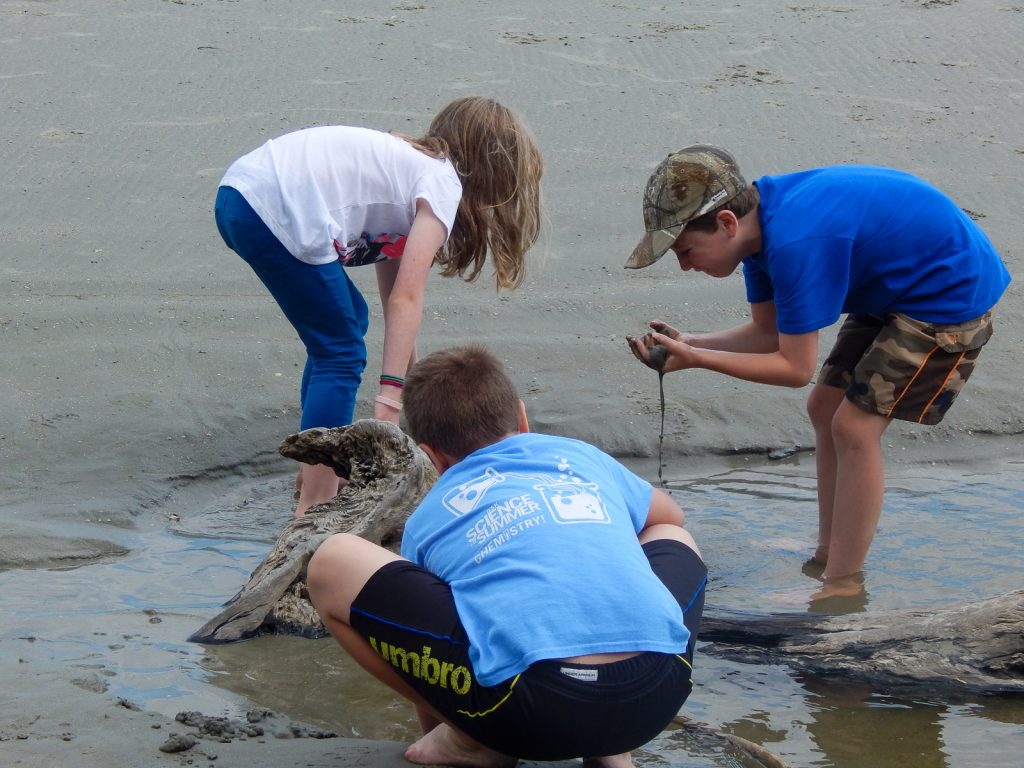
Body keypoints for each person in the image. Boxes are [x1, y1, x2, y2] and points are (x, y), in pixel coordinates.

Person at [625, 145, 1011, 600]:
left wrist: (700, 361)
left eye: (686, 249)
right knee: (824, 405)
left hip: (948, 294)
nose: (685, 264)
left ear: (726, 223)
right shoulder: (758, 236)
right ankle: (828, 554)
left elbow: (794, 367)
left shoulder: (795, 243)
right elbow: (769, 334)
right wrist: (691, 342)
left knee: (854, 427)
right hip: (893, 288)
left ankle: (843, 585)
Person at [307, 345, 707, 768]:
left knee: (330, 559)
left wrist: (452, 728)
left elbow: (429, 637)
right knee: (668, 533)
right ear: (521, 417)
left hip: (531, 711)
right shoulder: (577, 456)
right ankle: (611, 752)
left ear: (430, 455)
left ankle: (471, 740)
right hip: (658, 693)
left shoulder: (432, 512)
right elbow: (669, 517)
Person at [214, 97, 543, 517]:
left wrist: (418, 380)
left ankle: (313, 471)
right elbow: (408, 296)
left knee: (346, 326)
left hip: (241, 196)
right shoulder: (442, 183)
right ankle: (314, 505)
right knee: (341, 350)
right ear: (492, 172)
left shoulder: (404, 170)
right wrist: (390, 403)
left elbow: (393, 302)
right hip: (271, 203)